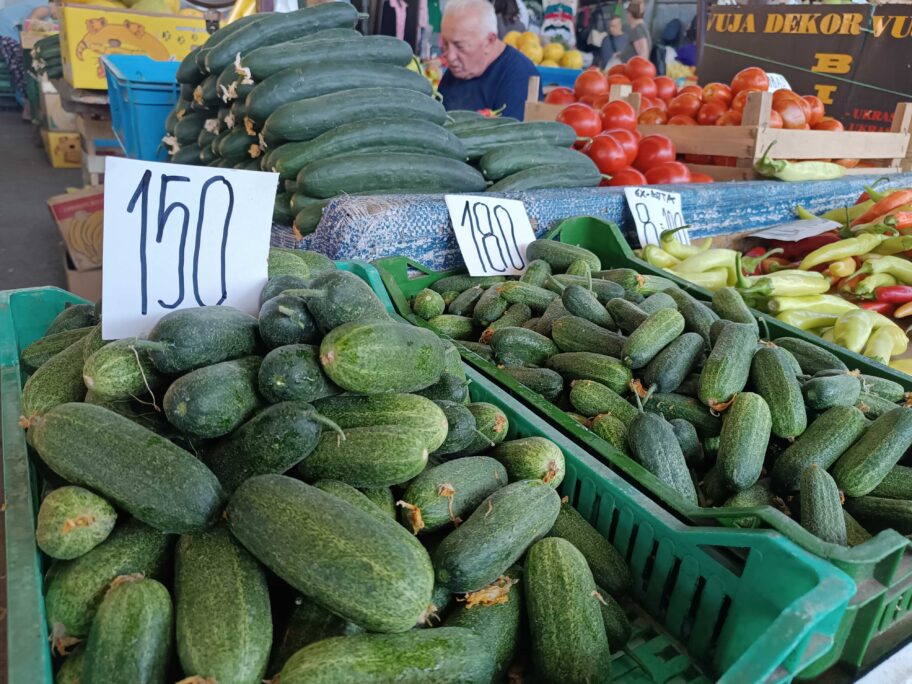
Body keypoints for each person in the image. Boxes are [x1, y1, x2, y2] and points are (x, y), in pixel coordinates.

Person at [437, 0, 540, 120]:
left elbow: (511, 134)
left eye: (460, 46)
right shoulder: (455, 72)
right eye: (445, 44)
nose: (450, 56)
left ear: (489, 41)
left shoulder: (519, 76)